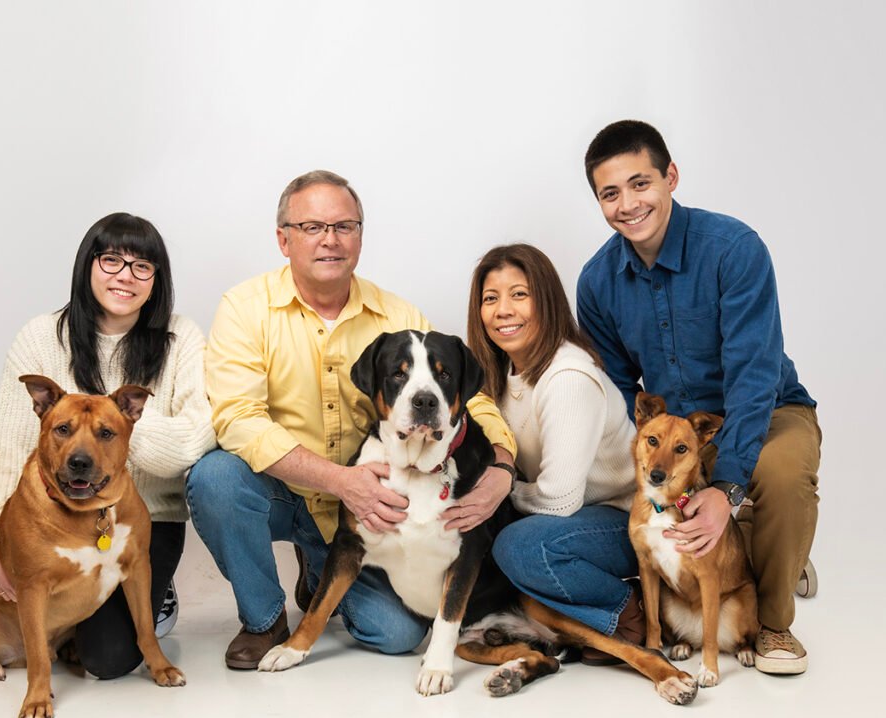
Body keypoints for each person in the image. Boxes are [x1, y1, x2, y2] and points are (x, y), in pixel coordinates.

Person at [185, 170, 517, 669]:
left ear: (360, 237)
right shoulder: (245, 307)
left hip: (370, 508)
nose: (330, 240)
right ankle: (265, 619)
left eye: (344, 226)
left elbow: (467, 399)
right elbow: (238, 418)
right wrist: (341, 482)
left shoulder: (396, 313)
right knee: (214, 479)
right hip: (283, 489)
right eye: (313, 227)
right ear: (284, 238)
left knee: (398, 635)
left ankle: (318, 571)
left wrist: (502, 468)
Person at [0, 213, 217, 682]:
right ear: (87, 266)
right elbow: (7, 442)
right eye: (112, 260)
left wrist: (117, 428)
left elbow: (195, 437)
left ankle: (154, 589)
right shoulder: (42, 335)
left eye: (142, 266)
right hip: (59, 502)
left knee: (106, 661)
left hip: (145, 515)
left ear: (157, 280)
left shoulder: (180, 340)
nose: (125, 275)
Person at [577, 120, 820, 675]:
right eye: (610, 193)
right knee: (663, 499)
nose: (628, 204)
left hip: (767, 407)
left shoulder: (734, 248)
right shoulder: (596, 281)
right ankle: (772, 552)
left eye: (641, 184)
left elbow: (754, 373)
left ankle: (776, 624)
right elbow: (617, 387)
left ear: (671, 177)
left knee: (778, 476)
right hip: (679, 431)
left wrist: (728, 487)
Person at [467, 243, 643, 665]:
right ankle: (559, 619)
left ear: (546, 301)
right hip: (570, 518)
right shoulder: (500, 372)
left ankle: (628, 609)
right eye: (490, 299)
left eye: (519, 294)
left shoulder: (567, 376)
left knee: (520, 548)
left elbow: (561, 501)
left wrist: (501, 489)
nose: (503, 310)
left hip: (624, 519)